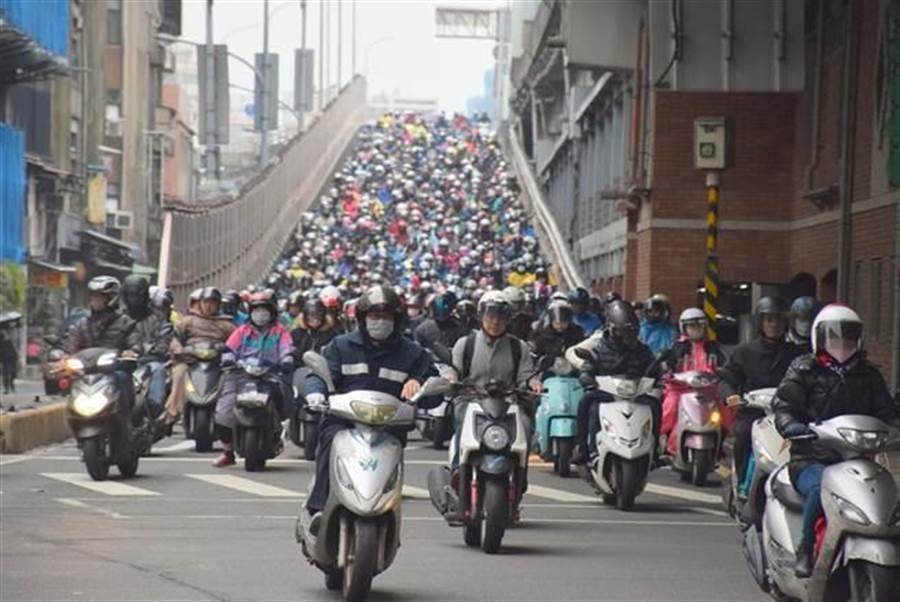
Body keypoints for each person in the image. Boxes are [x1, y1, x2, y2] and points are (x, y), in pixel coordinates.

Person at [300, 286, 440, 534]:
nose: (380, 322)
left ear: (397, 321)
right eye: (374, 316)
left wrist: (418, 385)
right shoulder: (341, 346)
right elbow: (320, 375)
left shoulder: (412, 353)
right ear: (362, 318)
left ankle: (388, 515)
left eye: (386, 317)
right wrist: (316, 392)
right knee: (329, 439)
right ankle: (318, 508)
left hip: (389, 427)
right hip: (344, 421)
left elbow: (434, 393)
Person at [772, 304, 899, 577]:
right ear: (819, 338)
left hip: (858, 458)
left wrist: (894, 430)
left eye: (848, 337)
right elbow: (783, 405)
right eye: (833, 337)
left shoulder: (869, 374)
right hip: (811, 458)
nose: (841, 343)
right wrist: (792, 426)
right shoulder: (803, 369)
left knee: (889, 495)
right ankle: (805, 547)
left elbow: (887, 413)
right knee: (820, 489)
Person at [719, 296, 804, 487]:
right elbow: (726, 378)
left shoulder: (797, 354)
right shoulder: (744, 351)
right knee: (742, 434)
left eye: (779, 320)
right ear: (760, 322)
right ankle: (740, 482)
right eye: (769, 320)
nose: (774, 325)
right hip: (753, 413)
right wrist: (731, 395)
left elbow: (808, 381)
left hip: (786, 413)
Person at [450, 290, 534, 469]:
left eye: (501, 317)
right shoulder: (465, 344)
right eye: (490, 316)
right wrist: (450, 378)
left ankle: (521, 472)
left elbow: (525, 376)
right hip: (471, 400)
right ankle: (458, 468)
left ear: (508, 319)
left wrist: (532, 384)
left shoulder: (519, 347)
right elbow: (453, 371)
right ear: (481, 316)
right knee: (461, 419)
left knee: (526, 425)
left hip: (507, 404)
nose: (495, 322)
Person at [566, 300, 658, 463]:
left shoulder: (642, 350)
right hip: (606, 394)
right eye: (623, 332)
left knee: (655, 405)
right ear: (613, 330)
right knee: (587, 404)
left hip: (635, 394)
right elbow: (588, 368)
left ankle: (655, 449)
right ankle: (586, 448)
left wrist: (658, 374)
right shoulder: (599, 348)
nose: (627, 337)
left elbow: (653, 368)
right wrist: (587, 377)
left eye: (631, 332)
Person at [214, 290, 294, 467]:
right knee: (223, 411)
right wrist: (227, 359)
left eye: (264, 309)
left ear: (272, 312)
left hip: (270, 375)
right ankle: (227, 451)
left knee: (285, 395)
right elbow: (229, 349)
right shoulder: (241, 331)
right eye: (256, 310)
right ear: (250, 312)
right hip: (240, 375)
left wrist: (287, 360)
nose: (260, 314)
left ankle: (278, 427)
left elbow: (286, 348)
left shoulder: (279, 332)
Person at [63, 276, 141, 422]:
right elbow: (71, 346)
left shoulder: (126, 323)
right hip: (87, 372)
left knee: (123, 378)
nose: (94, 300)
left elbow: (135, 345)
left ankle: (126, 419)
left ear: (111, 298)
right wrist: (65, 358)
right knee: (70, 381)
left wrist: (130, 352)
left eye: (99, 297)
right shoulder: (82, 324)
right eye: (93, 296)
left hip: (114, 370)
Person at [658, 308, 732, 455]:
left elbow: (725, 364)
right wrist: (667, 372)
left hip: (709, 389)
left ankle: (719, 438)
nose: (696, 330)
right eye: (692, 326)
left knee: (725, 408)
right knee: (670, 406)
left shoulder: (713, 347)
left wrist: (723, 373)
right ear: (684, 328)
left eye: (699, 326)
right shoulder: (677, 347)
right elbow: (666, 364)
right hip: (680, 388)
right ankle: (662, 438)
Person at [162, 287, 236, 431]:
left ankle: (228, 416)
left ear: (218, 305)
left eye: (213, 303)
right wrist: (177, 348)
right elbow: (174, 338)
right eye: (206, 302)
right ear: (200, 303)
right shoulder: (188, 321)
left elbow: (236, 344)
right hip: (190, 361)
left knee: (232, 380)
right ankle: (172, 413)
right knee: (179, 375)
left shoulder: (227, 325)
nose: (209, 306)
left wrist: (229, 354)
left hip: (218, 363)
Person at [121, 275, 173, 420]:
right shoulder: (119, 317)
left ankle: (155, 407)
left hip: (148, 361)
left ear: (144, 296)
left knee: (158, 369)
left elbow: (165, 336)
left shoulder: (157, 317)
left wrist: (157, 350)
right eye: (130, 295)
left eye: (136, 295)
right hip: (122, 363)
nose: (133, 299)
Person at [0, 329, 18, 394]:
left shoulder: (8, 343)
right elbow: (15, 352)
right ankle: (9, 388)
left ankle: (9, 388)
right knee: (8, 375)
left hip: (9, 361)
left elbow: (14, 352)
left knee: (7, 375)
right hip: (8, 361)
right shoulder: (8, 342)